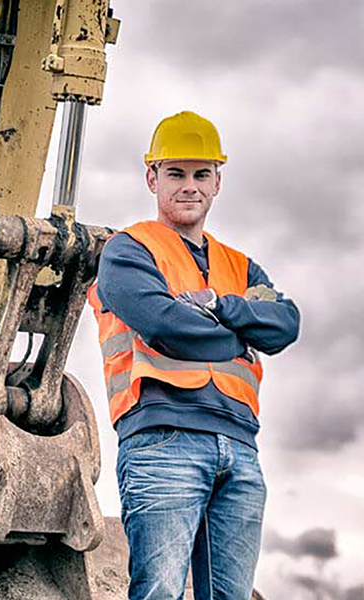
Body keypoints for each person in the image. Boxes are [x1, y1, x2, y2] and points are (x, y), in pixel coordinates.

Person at [87, 111, 300, 600]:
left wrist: (219, 305)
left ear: (217, 182)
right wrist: (239, 332)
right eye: (176, 173)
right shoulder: (128, 251)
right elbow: (166, 325)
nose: (189, 186)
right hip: (164, 441)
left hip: (241, 450)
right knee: (159, 592)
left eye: (201, 174)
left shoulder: (241, 266)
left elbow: (286, 324)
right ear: (152, 177)